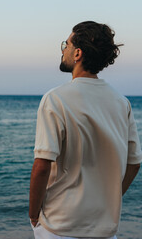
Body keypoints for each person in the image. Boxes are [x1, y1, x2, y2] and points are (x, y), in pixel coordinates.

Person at [29, 21, 142, 238]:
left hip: (60, 226)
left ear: (78, 53)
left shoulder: (55, 99)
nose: (63, 50)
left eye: (67, 45)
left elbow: (42, 165)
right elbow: (134, 163)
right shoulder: (121, 102)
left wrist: (33, 214)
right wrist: (111, 197)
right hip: (105, 229)